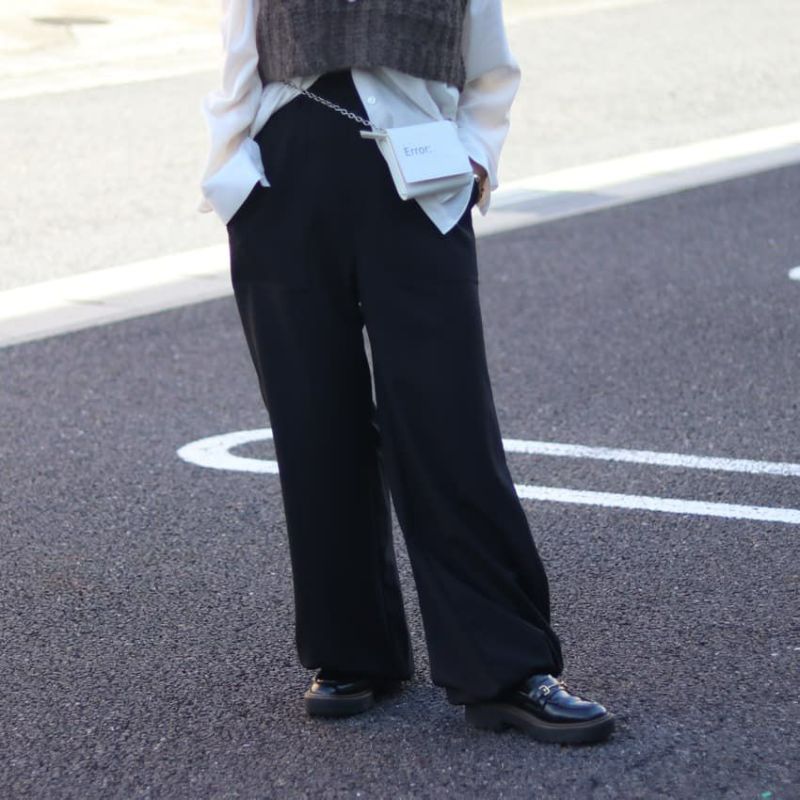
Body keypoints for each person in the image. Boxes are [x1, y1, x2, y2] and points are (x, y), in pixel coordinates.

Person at [198, 0, 615, 746]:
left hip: (420, 178)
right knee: (314, 426)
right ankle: (352, 654)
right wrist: (231, 174)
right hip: (282, 179)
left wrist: (476, 160)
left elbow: (491, 66)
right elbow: (239, 52)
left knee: (448, 424)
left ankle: (508, 668)